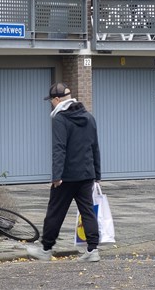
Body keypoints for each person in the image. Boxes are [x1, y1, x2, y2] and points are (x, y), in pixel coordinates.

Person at [27, 83, 102, 262]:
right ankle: (93, 250)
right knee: (88, 211)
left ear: (57, 99)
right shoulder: (89, 117)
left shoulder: (60, 118)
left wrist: (56, 176)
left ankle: (46, 249)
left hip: (66, 176)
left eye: (51, 101)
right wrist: (97, 175)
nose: (51, 104)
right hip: (86, 174)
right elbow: (95, 147)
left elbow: (59, 148)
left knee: (55, 212)